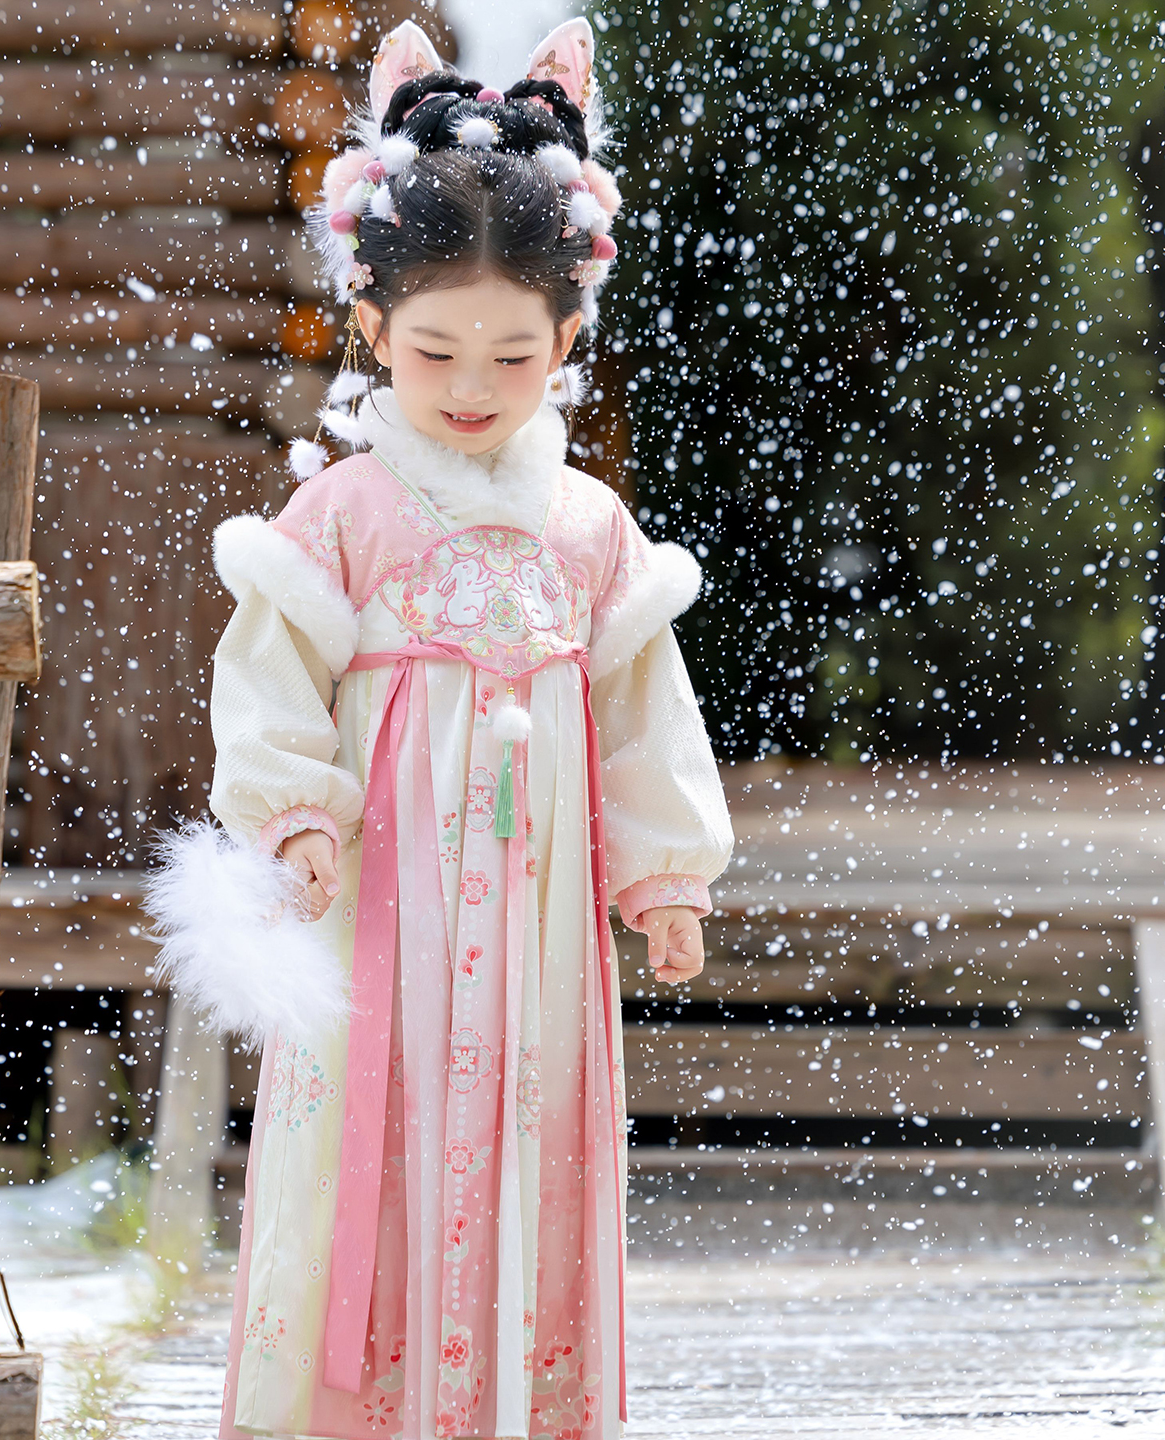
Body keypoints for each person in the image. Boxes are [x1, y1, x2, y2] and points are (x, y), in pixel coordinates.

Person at [149, 17, 733, 1439]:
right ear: (369, 329)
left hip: (535, 928)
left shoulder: (592, 531)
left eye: (512, 355)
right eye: (434, 351)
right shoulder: (346, 513)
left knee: (523, 1139)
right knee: (376, 1134)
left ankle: (506, 1410)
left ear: (568, 338)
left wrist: (661, 873)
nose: (472, 389)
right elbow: (273, 677)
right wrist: (295, 815)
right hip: (380, 904)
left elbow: (639, 710)